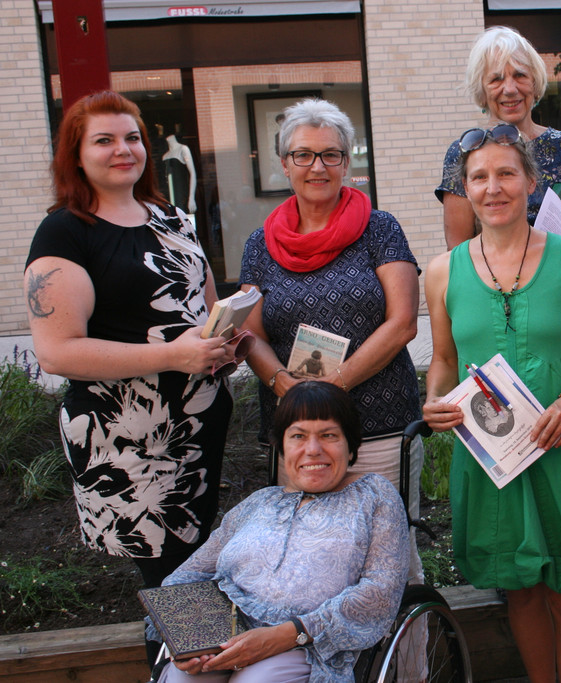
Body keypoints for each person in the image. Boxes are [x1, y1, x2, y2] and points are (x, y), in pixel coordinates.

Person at [423, 126, 561, 683]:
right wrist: (433, 399)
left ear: (531, 182)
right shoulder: (442, 271)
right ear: (465, 189)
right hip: (493, 459)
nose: (493, 188)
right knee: (521, 591)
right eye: (479, 177)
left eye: (506, 173)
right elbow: (443, 359)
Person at [23, 91, 234, 591]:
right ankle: (191, 642)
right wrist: (175, 354)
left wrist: (223, 344)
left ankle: (182, 640)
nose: (123, 149)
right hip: (127, 441)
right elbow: (57, 351)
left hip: (197, 428)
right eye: (104, 140)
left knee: (192, 564)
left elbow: (201, 313)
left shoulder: (172, 220)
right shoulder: (64, 233)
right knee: (173, 577)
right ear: (76, 155)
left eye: (132, 137)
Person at [238, 99, 423, 554]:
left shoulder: (380, 229)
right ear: (285, 164)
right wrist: (284, 385)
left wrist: (332, 385)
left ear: (346, 163)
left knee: (388, 555)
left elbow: (402, 323)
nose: (317, 167)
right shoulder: (259, 244)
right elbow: (250, 334)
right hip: (298, 432)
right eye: (303, 155)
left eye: (330, 154)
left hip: (378, 425)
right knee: (305, 555)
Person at [155, 381, 409, 682]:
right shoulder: (260, 502)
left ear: (350, 444)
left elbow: (380, 591)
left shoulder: (374, 496)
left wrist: (290, 634)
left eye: (328, 435)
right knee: (183, 679)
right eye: (298, 436)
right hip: (226, 636)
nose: (313, 450)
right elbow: (186, 576)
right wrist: (194, 641)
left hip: (310, 645)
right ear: (282, 445)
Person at [436, 25, 561, 249]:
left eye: (520, 75)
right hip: (495, 270)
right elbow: (458, 251)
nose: (509, 89)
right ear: (482, 90)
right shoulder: (465, 152)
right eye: (496, 79)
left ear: (534, 82)